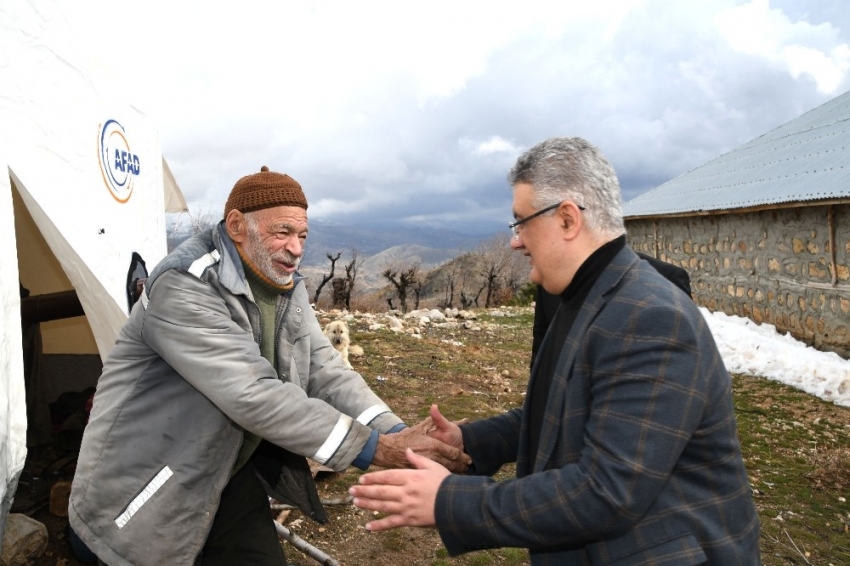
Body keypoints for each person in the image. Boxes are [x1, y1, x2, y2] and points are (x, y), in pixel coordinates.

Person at [349, 137, 761, 564]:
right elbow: (562, 414)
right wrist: (468, 440)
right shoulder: (583, 296)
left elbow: (606, 493)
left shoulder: (650, 317)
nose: (515, 241)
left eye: (520, 222)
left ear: (567, 219)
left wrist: (449, 501)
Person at [68, 166, 470, 566]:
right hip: (148, 486)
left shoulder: (283, 283)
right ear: (236, 225)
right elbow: (253, 393)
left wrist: (398, 433)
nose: (296, 248)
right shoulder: (185, 284)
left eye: (303, 236)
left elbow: (324, 368)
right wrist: (377, 449)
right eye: (283, 232)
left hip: (225, 471)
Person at [532, 252, 691, 362]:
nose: (517, 243)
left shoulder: (667, 278)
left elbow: (684, 363)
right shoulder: (549, 281)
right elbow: (542, 348)